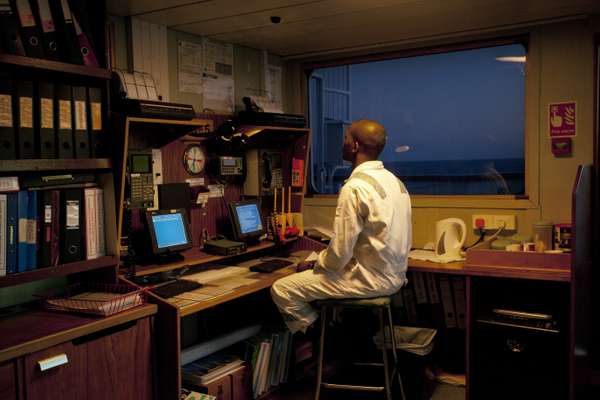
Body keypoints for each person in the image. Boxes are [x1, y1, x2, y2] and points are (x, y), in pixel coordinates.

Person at [271, 119, 412, 333]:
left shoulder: (355, 187)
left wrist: (316, 263)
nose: (342, 143)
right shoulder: (395, 182)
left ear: (355, 146)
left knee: (282, 289)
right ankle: (334, 339)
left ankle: (322, 341)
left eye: (345, 138)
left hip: (370, 280)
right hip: (395, 277)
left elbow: (338, 256)